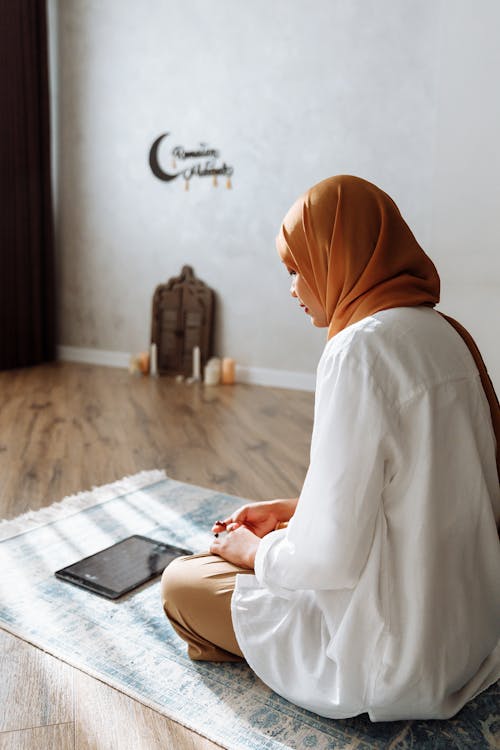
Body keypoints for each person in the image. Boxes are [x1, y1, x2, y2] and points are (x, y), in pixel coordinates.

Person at [161, 175, 500, 721]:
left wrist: (255, 553)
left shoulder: (358, 350)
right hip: (474, 633)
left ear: (335, 256)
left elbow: (332, 557)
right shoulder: (449, 334)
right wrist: (294, 512)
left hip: (391, 656)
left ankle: (247, 650)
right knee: (238, 562)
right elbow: (435, 485)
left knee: (183, 581)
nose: (293, 288)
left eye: (297, 268)